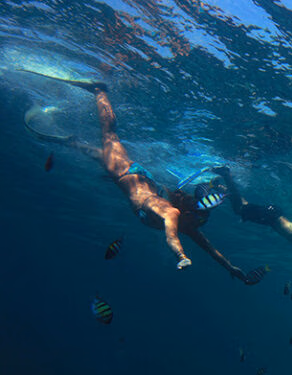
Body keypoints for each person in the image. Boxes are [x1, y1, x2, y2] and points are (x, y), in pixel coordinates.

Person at [23, 74, 250, 281]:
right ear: (190, 213)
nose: (199, 225)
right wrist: (181, 256)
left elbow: (210, 249)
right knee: (110, 134)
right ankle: (98, 91)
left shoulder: (187, 226)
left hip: (129, 176)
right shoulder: (170, 212)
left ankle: (66, 139)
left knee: (95, 151)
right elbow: (171, 238)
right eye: (200, 220)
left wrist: (231, 268)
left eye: (201, 222)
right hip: (124, 172)